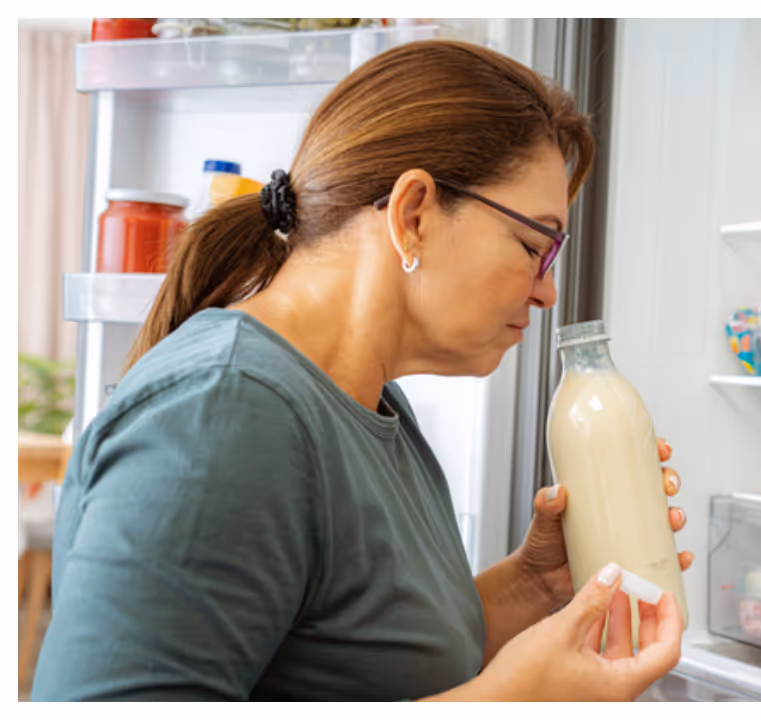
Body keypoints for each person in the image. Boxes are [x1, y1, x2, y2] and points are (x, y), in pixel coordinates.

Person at [31, 39, 691, 702]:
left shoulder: (374, 407)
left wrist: (535, 582)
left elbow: (364, 664)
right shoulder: (223, 413)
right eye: (532, 248)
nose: (547, 292)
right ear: (413, 215)